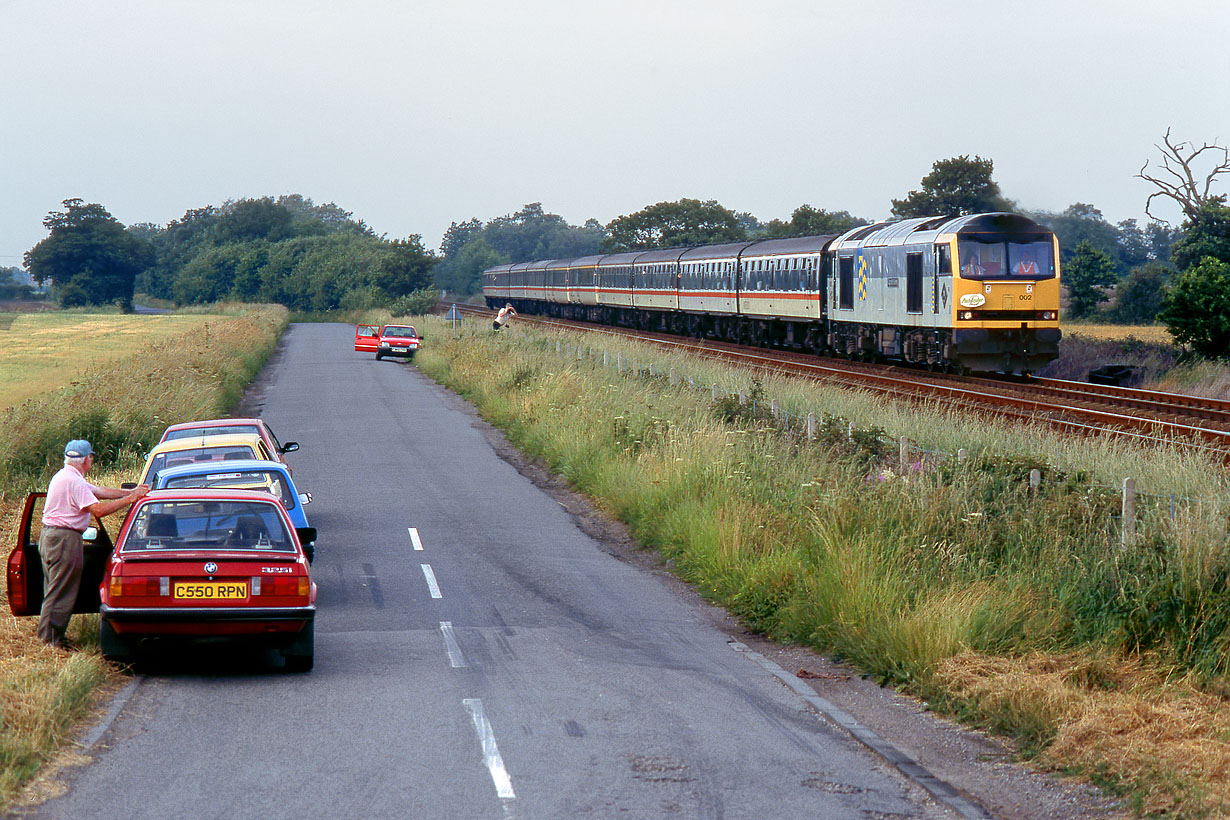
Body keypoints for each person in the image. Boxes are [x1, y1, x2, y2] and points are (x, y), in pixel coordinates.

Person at [38, 440, 149, 649]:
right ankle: (50, 641)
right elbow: (97, 510)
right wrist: (131, 499)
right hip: (64, 539)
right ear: (86, 459)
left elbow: (100, 491)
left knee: (54, 587)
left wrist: (132, 492)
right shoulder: (74, 481)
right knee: (61, 589)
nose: (92, 461)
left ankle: (51, 637)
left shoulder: (66, 476)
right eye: (91, 457)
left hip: (52, 536)